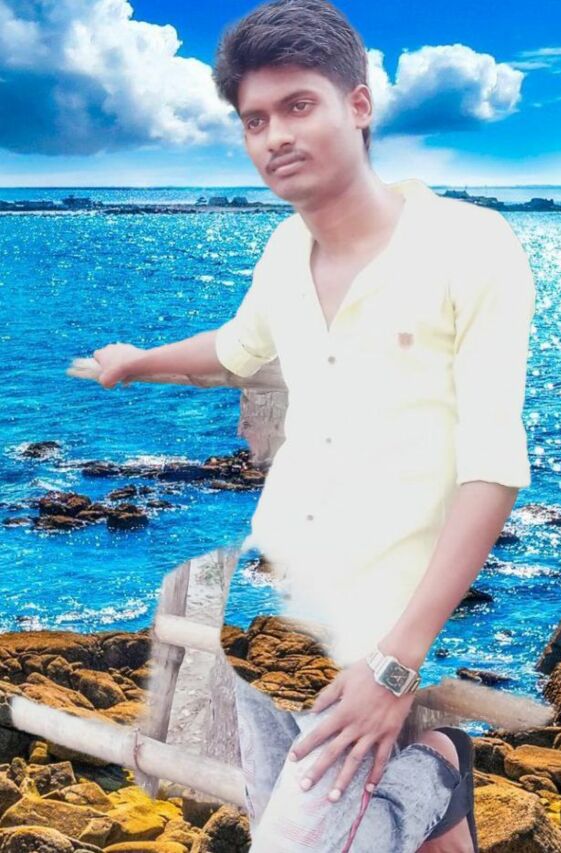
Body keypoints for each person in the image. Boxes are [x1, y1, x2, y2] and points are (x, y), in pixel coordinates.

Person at [93, 1, 536, 849]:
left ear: (358, 105)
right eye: (255, 119)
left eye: (298, 105)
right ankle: (438, 798)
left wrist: (397, 666)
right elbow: (236, 347)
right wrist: (136, 360)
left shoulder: (470, 245)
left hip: (384, 631)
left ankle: (439, 760)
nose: (275, 137)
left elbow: (493, 464)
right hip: (272, 610)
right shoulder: (281, 254)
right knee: (300, 820)